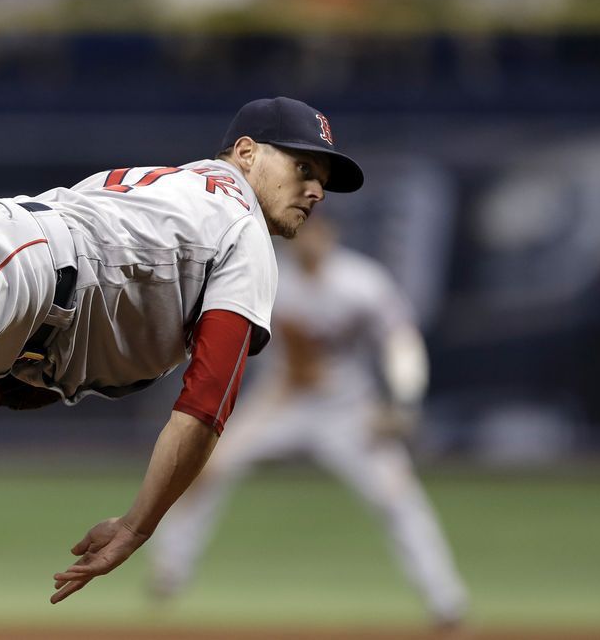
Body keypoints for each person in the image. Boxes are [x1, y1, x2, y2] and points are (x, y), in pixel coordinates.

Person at [0, 0, 363, 640]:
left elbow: (113, 340)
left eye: (323, 181)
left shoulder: (176, 197)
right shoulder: (242, 227)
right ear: (245, 153)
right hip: (24, 266)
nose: (314, 189)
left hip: (5, 285)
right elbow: (207, 401)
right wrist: (138, 524)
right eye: (301, 166)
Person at [148, 216, 469, 628]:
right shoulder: (267, 275)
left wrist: (403, 404)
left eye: (318, 232)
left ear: (332, 235)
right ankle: (169, 569)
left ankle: (446, 601)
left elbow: (400, 343)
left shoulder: (362, 282)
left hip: (349, 409)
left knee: (396, 496)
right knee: (209, 466)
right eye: (303, 233)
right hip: (283, 402)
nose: (310, 241)